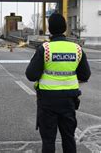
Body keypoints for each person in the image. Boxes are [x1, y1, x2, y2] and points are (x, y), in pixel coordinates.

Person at [25, 13, 91, 153]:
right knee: (68, 137)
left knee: (48, 140)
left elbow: (31, 75)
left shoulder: (45, 49)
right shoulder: (77, 49)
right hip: (69, 101)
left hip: (47, 101)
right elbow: (85, 75)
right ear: (65, 28)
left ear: (50, 29)